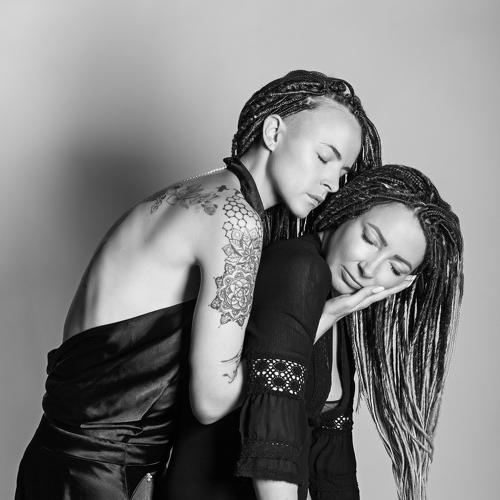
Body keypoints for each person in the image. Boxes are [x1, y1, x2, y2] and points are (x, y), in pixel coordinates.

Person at [15, 70, 383, 499]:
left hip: (56, 462)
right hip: (101, 477)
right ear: (273, 132)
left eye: (343, 172)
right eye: (324, 157)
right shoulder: (235, 221)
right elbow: (211, 402)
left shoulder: (194, 195)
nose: (332, 183)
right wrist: (314, 325)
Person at [161, 165, 463, 500]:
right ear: (347, 210)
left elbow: (331, 464)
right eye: (369, 239)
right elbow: (274, 432)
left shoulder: (339, 305)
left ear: (405, 282)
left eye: (394, 267)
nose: (369, 269)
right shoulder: (301, 269)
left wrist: (330, 315)